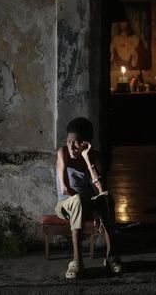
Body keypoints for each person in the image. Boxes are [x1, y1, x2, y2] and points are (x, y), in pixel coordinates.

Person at [55, 117, 122, 279]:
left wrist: (87, 158)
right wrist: (89, 207)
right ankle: (78, 261)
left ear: (86, 143)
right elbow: (64, 188)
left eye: (76, 143)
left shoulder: (95, 156)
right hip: (66, 203)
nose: (71, 146)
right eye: (69, 141)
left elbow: (100, 189)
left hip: (88, 203)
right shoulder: (62, 152)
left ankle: (111, 256)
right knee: (77, 200)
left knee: (106, 197)